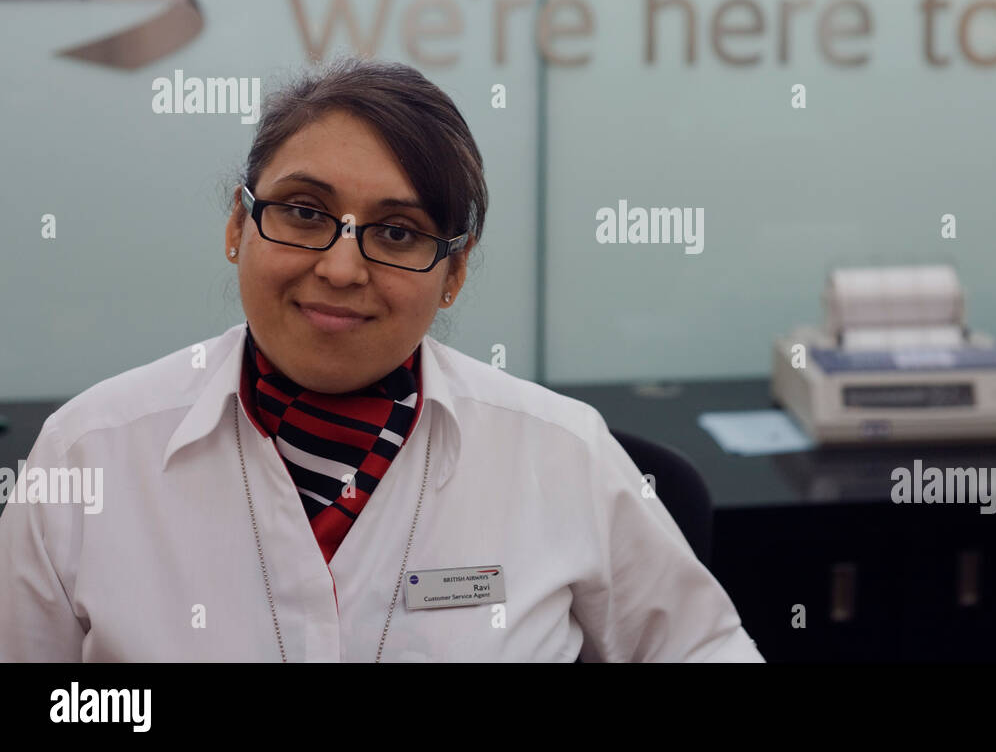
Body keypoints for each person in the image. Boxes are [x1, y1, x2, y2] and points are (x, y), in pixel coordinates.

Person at [0, 57, 764, 662]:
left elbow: (704, 650)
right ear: (238, 225)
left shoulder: (562, 453)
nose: (339, 268)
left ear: (454, 273)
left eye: (398, 232)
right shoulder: (87, 454)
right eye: (304, 213)